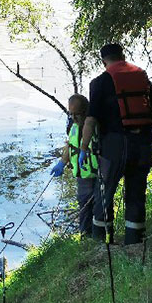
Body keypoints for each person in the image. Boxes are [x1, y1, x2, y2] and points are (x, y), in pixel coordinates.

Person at [81, 43, 152, 245]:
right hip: (143, 142)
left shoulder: (99, 82)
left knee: (104, 192)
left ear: (103, 61)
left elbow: (90, 120)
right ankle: (134, 241)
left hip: (114, 146)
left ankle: (101, 242)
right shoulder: (140, 76)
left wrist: (84, 148)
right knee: (136, 192)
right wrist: (145, 119)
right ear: (122, 56)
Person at [50, 94, 99, 235]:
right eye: (70, 114)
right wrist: (62, 163)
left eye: (76, 114)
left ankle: (96, 236)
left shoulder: (94, 125)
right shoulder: (73, 126)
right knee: (84, 205)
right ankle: (85, 235)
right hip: (82, 175)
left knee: (97, 206)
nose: (73, 117)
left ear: (85, 111)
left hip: (97, 174)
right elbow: (70, 145)